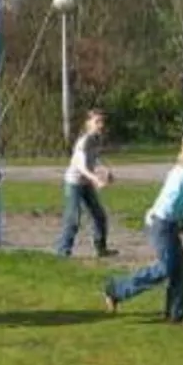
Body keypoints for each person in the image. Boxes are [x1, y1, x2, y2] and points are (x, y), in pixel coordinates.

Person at [101, 132, 183, 327]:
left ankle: (176, 313)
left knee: (181, 271)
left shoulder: (182, 169)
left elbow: (180, 202)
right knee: (166, 268)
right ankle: (115, 290)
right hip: (160, 224)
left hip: (167, 223)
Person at [54, 109, 116, 258]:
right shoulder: (84, 141)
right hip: (74, 183)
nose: (101, 125)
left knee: (99, 215)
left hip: (86, 182)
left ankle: (101, 249)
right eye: (97, 121)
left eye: (102, 121)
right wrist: (96, 180)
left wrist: (106, 171)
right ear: (88, 124)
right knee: (73, 218)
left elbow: (94, 159)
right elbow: (81, 167)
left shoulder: (96, 139)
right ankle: (63, 251)